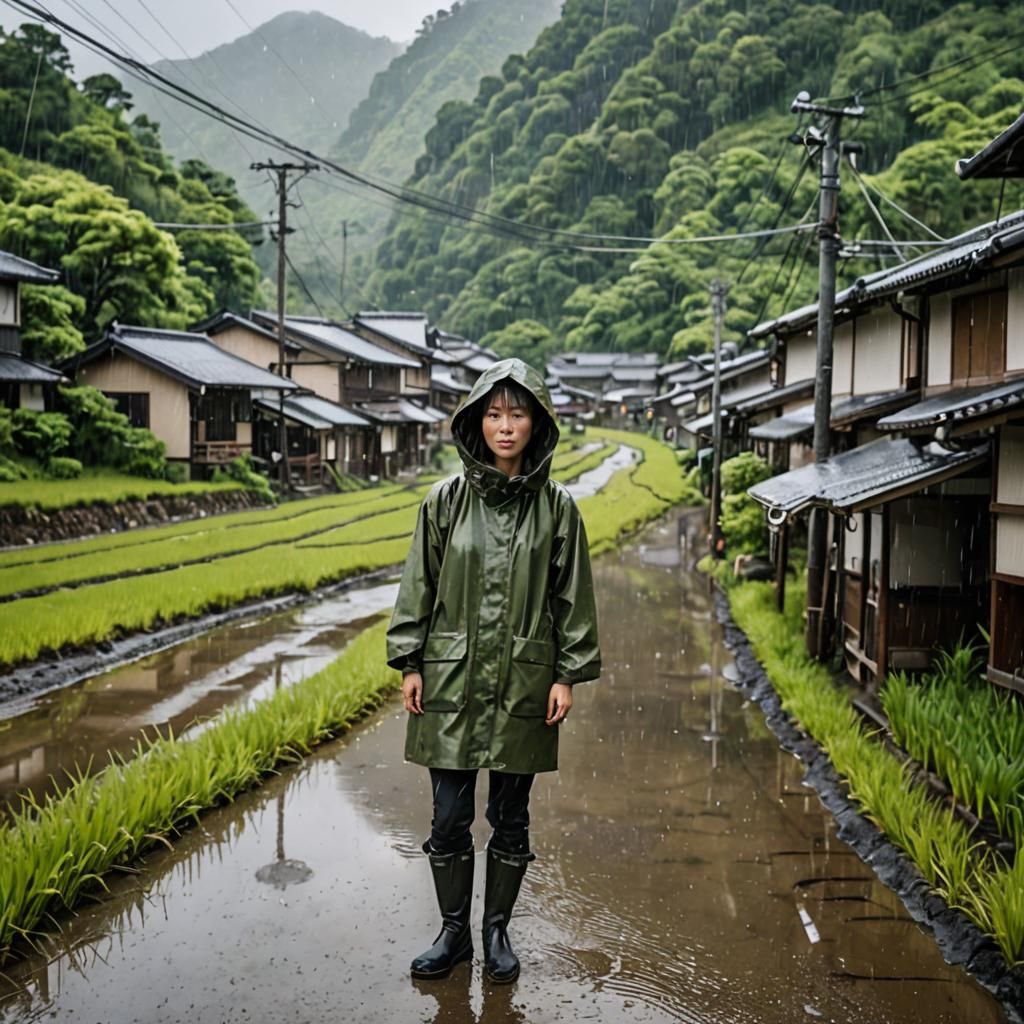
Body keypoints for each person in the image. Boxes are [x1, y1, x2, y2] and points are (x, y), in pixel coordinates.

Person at [387, 357, 601, 984]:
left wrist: (565, 674)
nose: (505, 426)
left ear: (538, 423)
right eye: (493, 413)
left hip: (525, 681)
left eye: (517, 413)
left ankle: (496, 932)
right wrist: (410, 660)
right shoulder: (445, 503)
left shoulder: (558, 509)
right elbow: (418, 585)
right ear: (475, 423)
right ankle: (453, 933)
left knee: (511, 815)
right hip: (449, 679)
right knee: (448, 815)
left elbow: (571, 597)